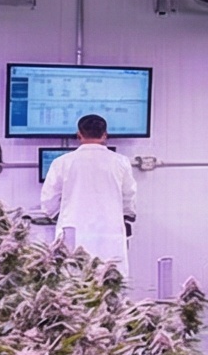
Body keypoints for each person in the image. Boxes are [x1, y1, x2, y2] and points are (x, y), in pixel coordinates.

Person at [40, 113, 140, 275]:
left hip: (73, 232)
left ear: (79, 134)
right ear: (105, 135)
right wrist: (127, 217)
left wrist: (57, 214)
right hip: (110, 231)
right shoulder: (120, 162)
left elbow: (49, 200)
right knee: (110, 280)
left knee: (73, 283)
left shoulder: (62, 162)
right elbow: (128, 196)